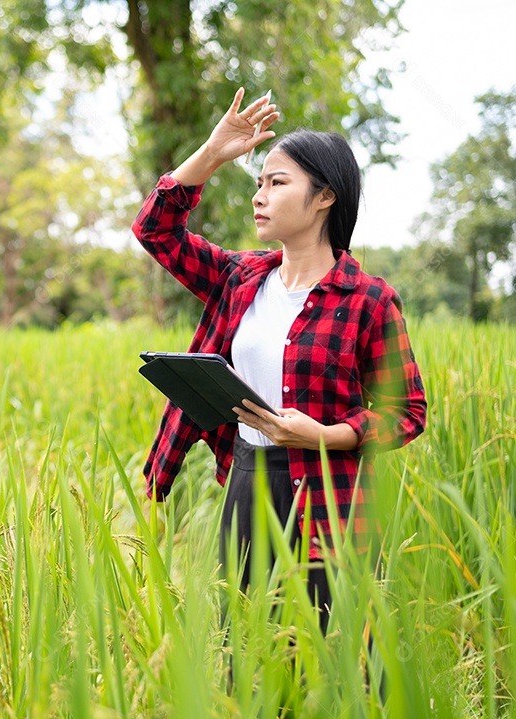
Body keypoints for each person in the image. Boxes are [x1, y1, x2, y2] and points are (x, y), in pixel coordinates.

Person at [131, 88, 428, 630]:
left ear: (324, 197)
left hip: (332, 501)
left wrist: (323, 435)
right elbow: (155, 230)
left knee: (337, 664)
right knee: (242, 660)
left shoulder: (369, 299)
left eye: (277, 182)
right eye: (259, 183)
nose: (259, 196)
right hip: (248, 482)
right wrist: (213, 154)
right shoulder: (238, 278)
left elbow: (407, 411)